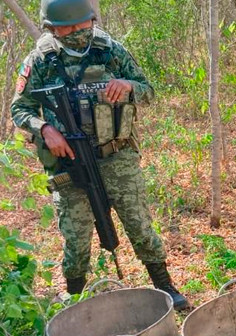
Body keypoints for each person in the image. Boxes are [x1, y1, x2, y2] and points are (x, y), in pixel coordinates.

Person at [10, 0, 189, 310]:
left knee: (138, 223)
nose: (78, 32)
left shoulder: (110, 50)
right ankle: (76, 296)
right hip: (70, 161)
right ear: (53, 28)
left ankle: (164, 284)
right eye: (68, 28)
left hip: (116, 153)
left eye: (83, 25)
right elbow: (20, 108)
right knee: (76, 234)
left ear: (90, 20)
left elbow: (149, 90)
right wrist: (44, 129)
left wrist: (127, 86)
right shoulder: (40, 60)